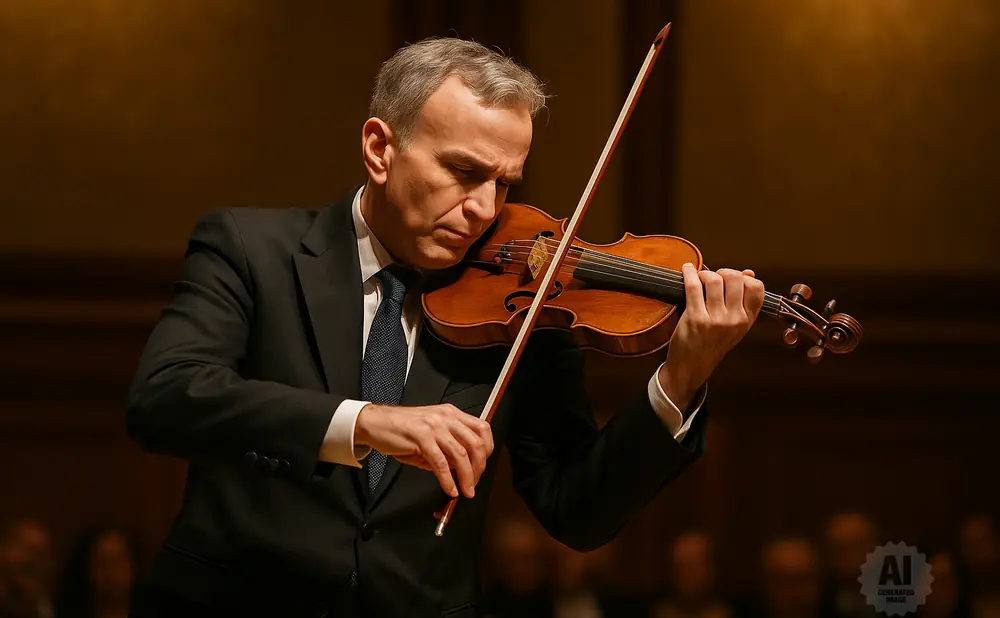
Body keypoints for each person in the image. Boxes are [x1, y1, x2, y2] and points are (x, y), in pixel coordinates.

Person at [125, 36, 765, 618]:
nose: (485, 209)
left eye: (505, 183)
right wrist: (365, 421)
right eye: (464, 171)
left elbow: (579, 511)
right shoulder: (250, 249)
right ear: (381, 148)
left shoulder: (528, 307)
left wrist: (682, 376)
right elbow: (166, 396)